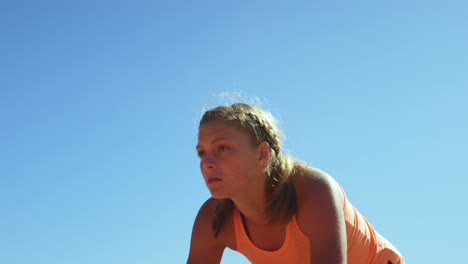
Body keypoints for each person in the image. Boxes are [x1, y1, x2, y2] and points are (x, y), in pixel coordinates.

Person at [187, 103, 404, 264]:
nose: (207, 163)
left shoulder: (314, 191)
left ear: (262, 154)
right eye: (202, 153)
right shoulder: (213, 220)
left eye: (223, 148)